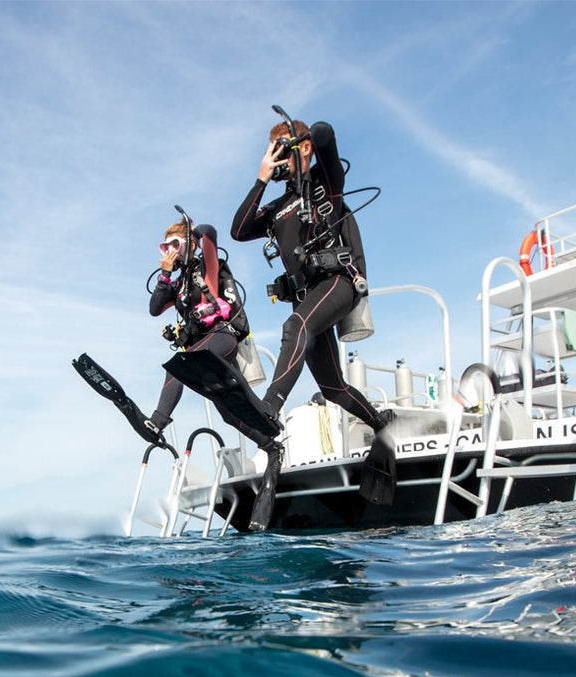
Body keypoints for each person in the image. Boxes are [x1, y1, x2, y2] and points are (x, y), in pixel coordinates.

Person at [230, 116, 394, 525]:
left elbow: (324, 134)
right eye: (277, 151)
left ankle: (269, 409)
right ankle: (381, 425)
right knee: (334, 388)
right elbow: (237, 230)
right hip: (306, 300)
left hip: (338, 283)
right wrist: (263, 177)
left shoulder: (327, 182)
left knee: (293, 327)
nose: (283, 158)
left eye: (288, 149)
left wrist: (302, 141)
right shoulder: (277, 205)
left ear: (302, 149)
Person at [145, 220, 269, 446]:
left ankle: (157, 421)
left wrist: (193, 233)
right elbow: (154, 309)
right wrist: (165, 275)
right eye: (166, 246)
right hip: (202, 345)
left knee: (179, 365)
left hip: (221, 336)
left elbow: (210, 232)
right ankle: (271, 446)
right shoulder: (179, 284)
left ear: (189, 244)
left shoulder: (205, 268)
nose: (171, 250)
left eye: (175, 243)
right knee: (228, 414)